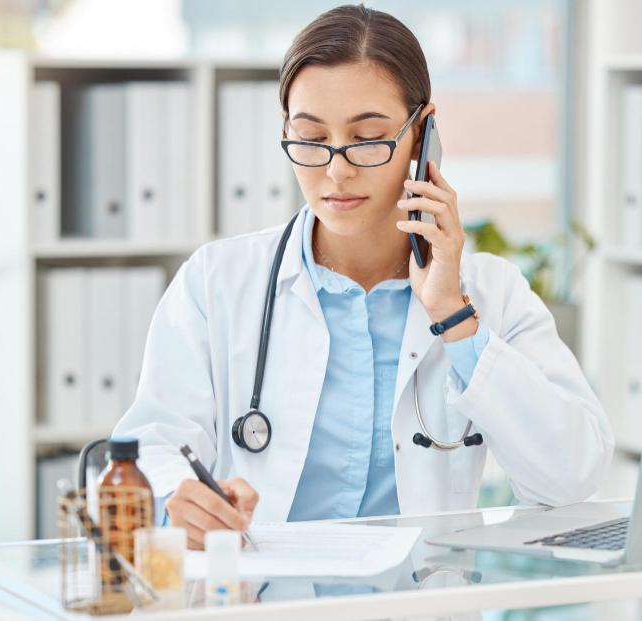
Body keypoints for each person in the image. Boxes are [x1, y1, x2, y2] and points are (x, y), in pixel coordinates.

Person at [113, 3, 614, 550]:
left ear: (423, 135)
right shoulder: (217, 284)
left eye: (368, 138)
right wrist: (178, 499)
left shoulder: (491, 294)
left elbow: (571, 477)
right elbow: (151, 451)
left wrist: (454, 318)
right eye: (310, 138)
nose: (335, 170)